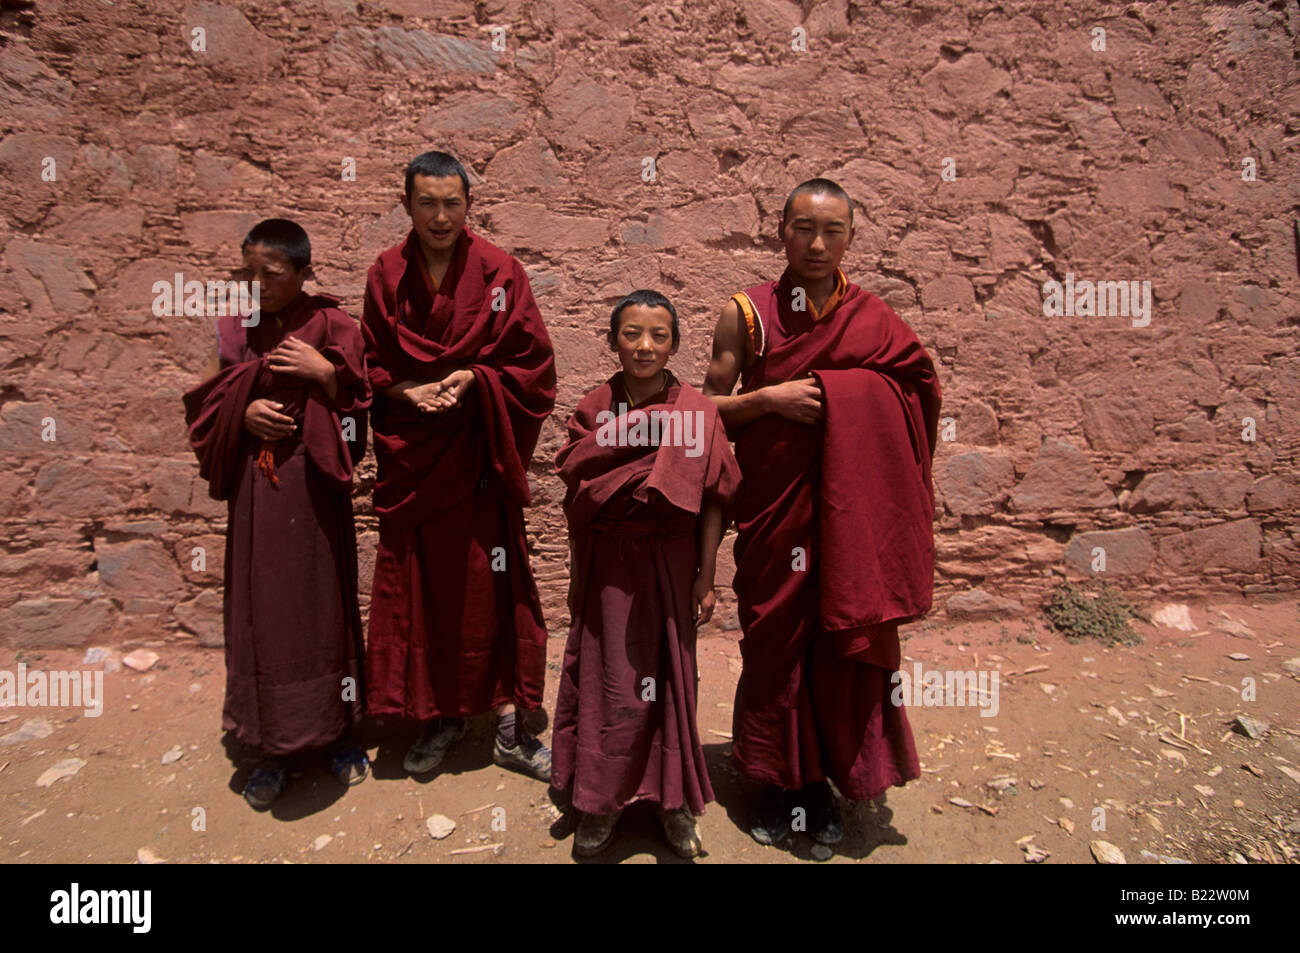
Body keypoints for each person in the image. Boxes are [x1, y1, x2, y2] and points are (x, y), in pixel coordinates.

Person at [702, 178, 942, 847]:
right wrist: (769, 401)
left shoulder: (873, 318)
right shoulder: (746, 314)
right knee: (776, 649)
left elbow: (918, 390)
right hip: (776, 518)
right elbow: (699, 410)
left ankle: (831, 780)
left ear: (851, 239)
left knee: (842, 647)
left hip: (848, 520)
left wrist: (848, 397)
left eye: (832, 230)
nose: (816, 243)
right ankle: (777, 784)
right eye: (802, 227)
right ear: (779, 230)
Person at [360, 151, 555, 781]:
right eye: (427, 204)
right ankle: (438, 714)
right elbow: (369, 364)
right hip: (417, 462)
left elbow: (534, 368)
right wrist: (404, 393)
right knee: (426, 593)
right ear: (406, 205)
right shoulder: (386, 275)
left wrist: (476, 378)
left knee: (488, 588)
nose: (440, 217)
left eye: (452, 203)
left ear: (469, 205)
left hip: (477, 460)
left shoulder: (500, 272)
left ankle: (504, 721)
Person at [183, 217, 372, 809]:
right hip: (258, 490)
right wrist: (242, 416)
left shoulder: (335, 325)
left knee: (323, 606)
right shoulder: (236, 327)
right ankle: (271, 747)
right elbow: (208, 403)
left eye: (272, 274)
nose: (258, 285)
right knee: (263, 611)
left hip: (314, 487)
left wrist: (327, 377)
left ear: (303, 273)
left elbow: (360, 411)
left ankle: (340, 734)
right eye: (249, 273)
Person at [553, 291, 741, 858]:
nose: (645, 346)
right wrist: (576, 574)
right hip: (609, 564)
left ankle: (673, 801)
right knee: (611, 679)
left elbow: (715, 501)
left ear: (675, 345)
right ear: (613, 341)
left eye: (659, 336)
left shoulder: (696, 412)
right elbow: (578, 496)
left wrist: (706, 576)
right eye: (631, 333)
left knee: (670, 675)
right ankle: (600, 800)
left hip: (671, 559)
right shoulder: (594, 411)